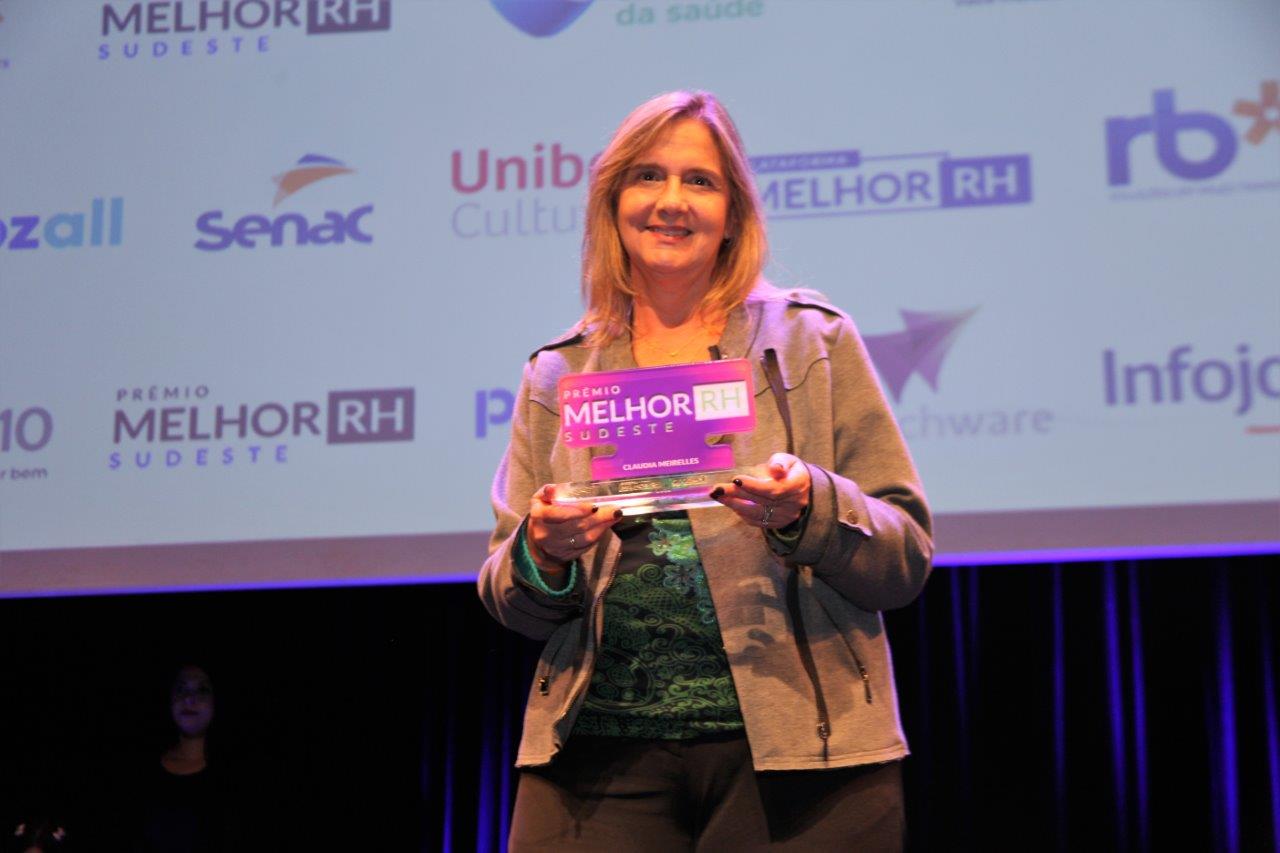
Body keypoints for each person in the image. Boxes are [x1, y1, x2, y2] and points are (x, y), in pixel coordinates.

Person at [477, 90, 933, 851]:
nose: (671, 201)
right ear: (613, 202)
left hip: (803, 762)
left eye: (700, 180)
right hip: (594, 762)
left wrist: (810, 507)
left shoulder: (812, 341)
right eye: (647, 176)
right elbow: (508, 595)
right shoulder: (559, 372)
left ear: (733, 212)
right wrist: (543, 552)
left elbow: (905, 558)